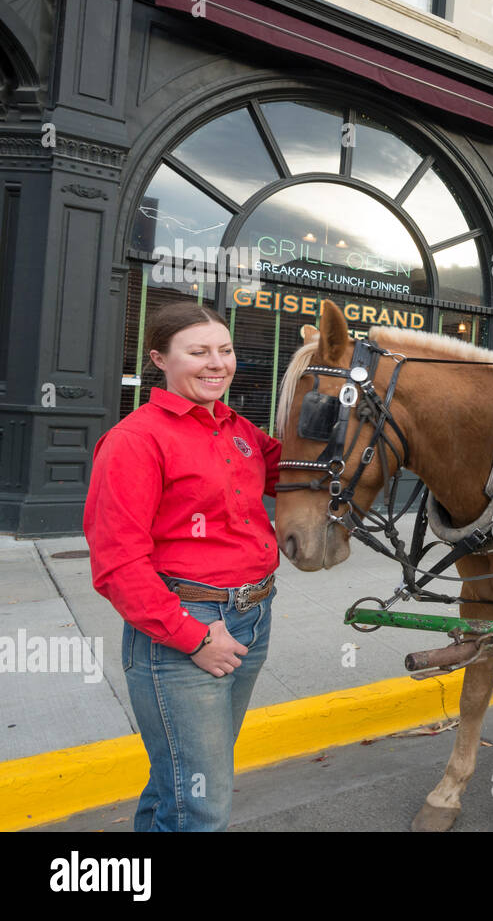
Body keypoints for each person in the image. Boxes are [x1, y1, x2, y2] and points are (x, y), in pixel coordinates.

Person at [84, 302, 280, 831]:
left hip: (252, 618)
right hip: (185, 629)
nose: (217, 363)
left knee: (179, 780)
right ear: (159, 360)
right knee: (201, 804)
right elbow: (117, 563)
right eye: (198, 352)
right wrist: (191, 636)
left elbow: (290, 473)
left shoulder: (237, 428)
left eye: (225, 350)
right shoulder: (136, 439)